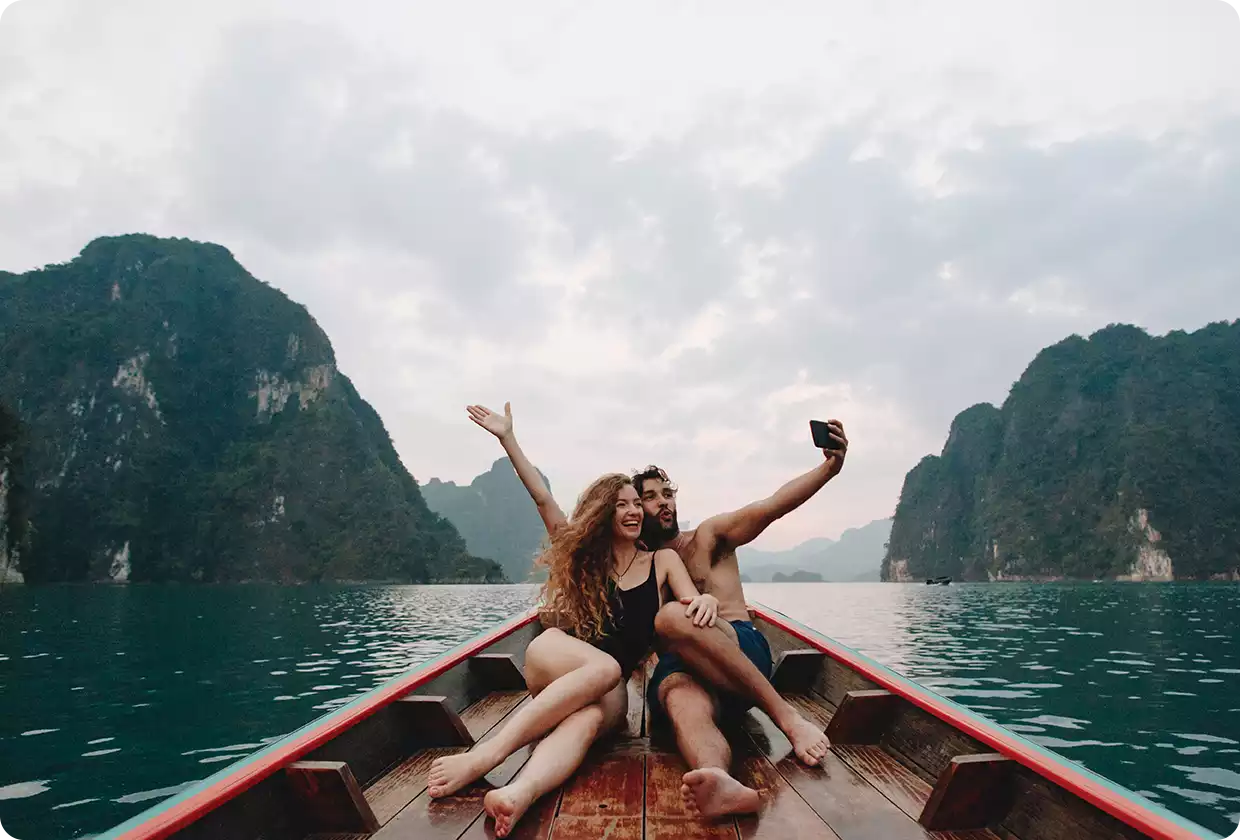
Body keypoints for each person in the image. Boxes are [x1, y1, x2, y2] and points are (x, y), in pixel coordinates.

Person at [427, 404, 718, 838]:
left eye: (637, 502)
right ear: (604, 513)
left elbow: (691, 605)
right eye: (621, 504)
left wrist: (707, 599)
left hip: (608, 687)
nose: (634, 510)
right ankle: (486, 756)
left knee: (586, 721)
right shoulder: (586, 555)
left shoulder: (664, 561)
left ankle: (519, 793)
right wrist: (508, 438)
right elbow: (542, 498)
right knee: (603, 667)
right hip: (557, 660)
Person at [633, 418, 848, 818]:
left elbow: (771, 506)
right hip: (685, 669)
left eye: (667, 494)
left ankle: (787, 718)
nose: (664, 502)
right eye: (650, 497)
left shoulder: (709, 537)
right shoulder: (637, 566)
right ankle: (717, 778)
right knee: (682, 703)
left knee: (670, 619)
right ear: (634, 508)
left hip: (739, 646)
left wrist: (828, 468)